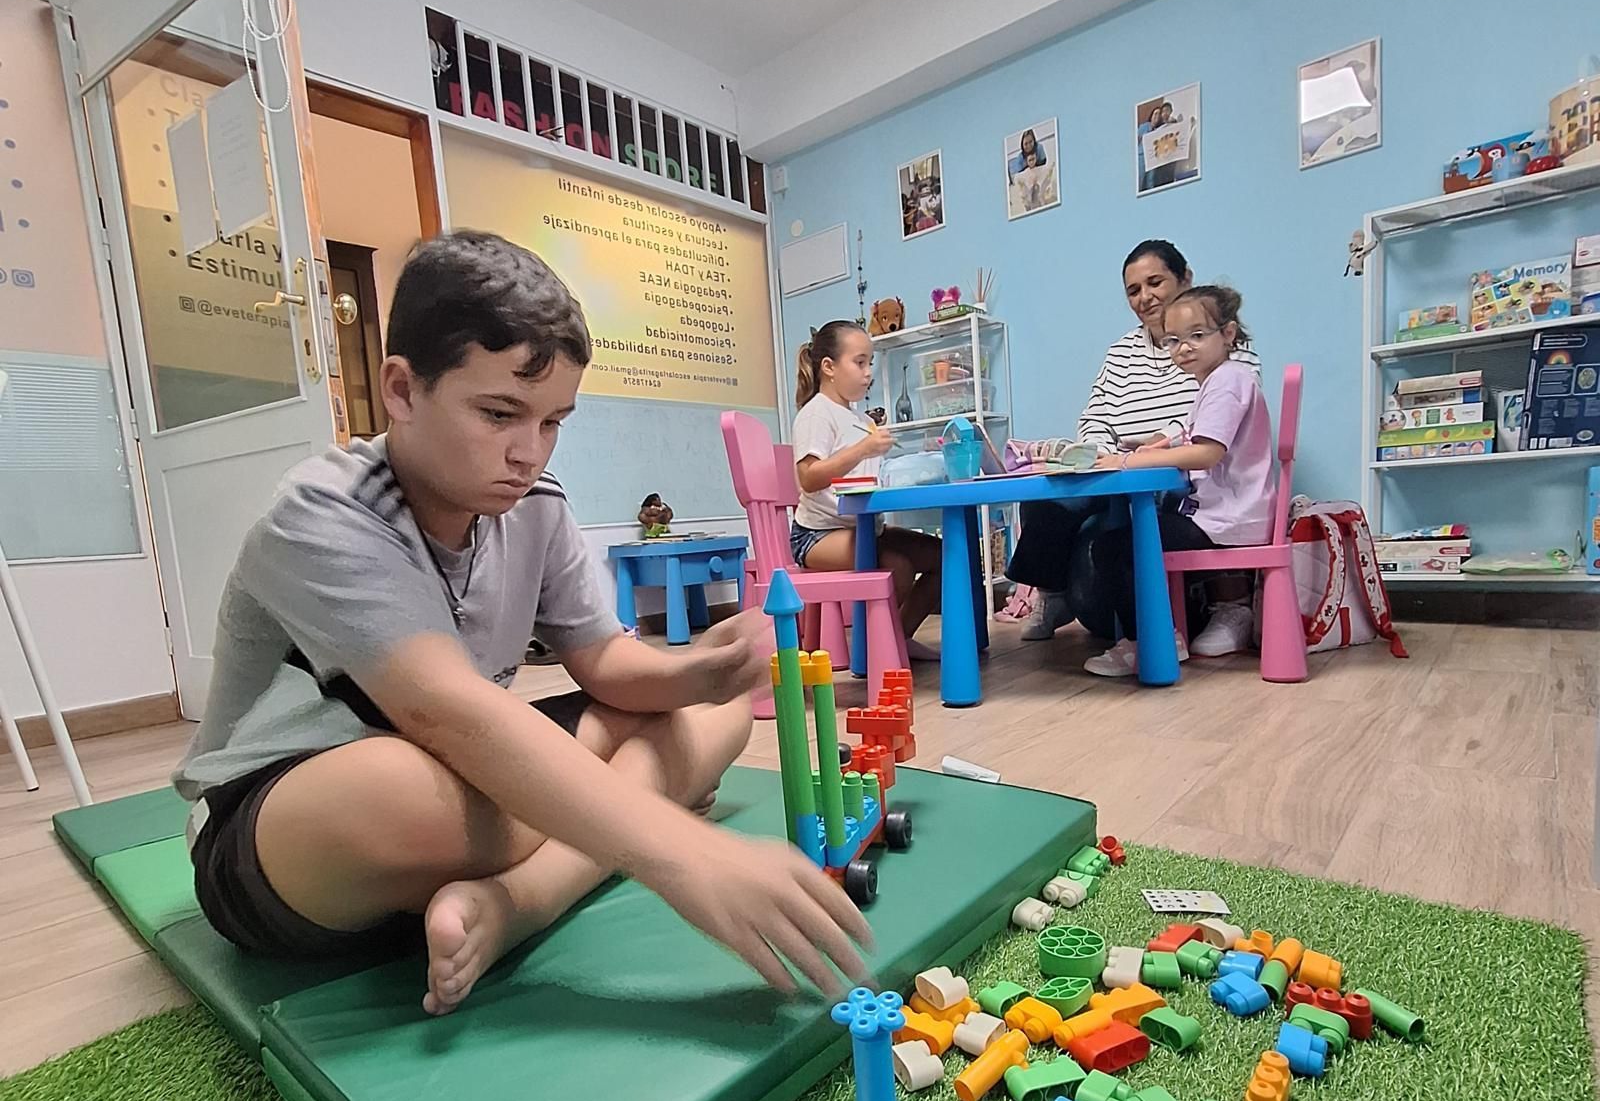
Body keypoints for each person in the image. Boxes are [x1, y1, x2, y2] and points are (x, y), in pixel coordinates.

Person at [175, 232, 870, 1016]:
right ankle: (592, 836)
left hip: (468, 776)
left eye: (552, 423)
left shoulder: (534, 506)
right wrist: (684, 853)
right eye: (499, 413)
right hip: (283, 828)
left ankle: (515, 904)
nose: (528, 453)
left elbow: (604, 660)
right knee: (413, 784)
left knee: (713, 722)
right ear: (401, 391)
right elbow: (451, 714)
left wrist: (698, 672)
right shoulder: (325, 512)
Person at [1007, 239, 1261, 655]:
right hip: (1122, 463)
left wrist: (1145, 448)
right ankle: (1052, 595)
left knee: (1121, 544)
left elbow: (1214, 427)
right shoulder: (1122, 352)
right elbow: (1095, 418)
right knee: (1047, 496)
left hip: (1177, 475)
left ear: (1185, 279)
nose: (1145, 297)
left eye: (1155, 282)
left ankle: (1209, 613)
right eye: (1133, 290)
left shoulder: (1224, 352)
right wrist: (1103, 453)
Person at [1083, 285, 1273, 678]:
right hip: (1232, 515)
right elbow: (1189, 431)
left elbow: (1206, 452)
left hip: (1227, 522)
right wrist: (1160, 443)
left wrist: (1129, 459)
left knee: (1114, 547)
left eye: (1197, 336)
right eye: (1173, 341)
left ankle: (1148, 642)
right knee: (1131, 535)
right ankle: (1158, 634)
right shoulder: (1220, 380)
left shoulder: (1226, 382)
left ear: (1229, 334)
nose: (1184, 348)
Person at [789, 320, 941, 656]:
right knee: (897, 568)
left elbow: (868, 475)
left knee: (942, 555)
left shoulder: (859, 419)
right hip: (817, 536)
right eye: (859, 362)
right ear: (828, 367)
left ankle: (895, 641)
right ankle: (876, 652)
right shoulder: (817, 415)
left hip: (863, 527)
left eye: (869, 362)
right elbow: (810, 477)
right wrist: (865, 448)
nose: (868, 372)